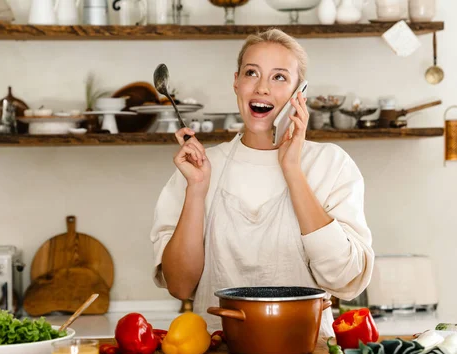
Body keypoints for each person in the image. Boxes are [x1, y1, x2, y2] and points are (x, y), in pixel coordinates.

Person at [150, 28, 374, 337]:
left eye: (279, 77)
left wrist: (293, 170)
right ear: (236, 83)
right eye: (251, 73)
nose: (262, 88)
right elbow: (180, 285)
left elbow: (344, 279)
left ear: (300, 93)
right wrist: (197, 191)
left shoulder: (330, 165)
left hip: (308, 352)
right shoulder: (197, 168)